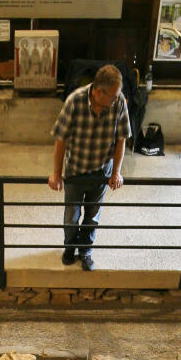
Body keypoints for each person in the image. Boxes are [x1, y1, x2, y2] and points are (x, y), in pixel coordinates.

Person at [48, 64, 130, 270]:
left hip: (102, 171)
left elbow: (121, 139)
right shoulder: (74, 101)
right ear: (99, 91)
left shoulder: (118, 101)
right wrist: (56, 174)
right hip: (76, 170)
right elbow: (60, 139)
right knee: (71, 214)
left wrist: (117, 171)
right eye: (112, 96)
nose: (116, 99)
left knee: (92, 215)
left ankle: (85, 251)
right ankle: (70, 247)